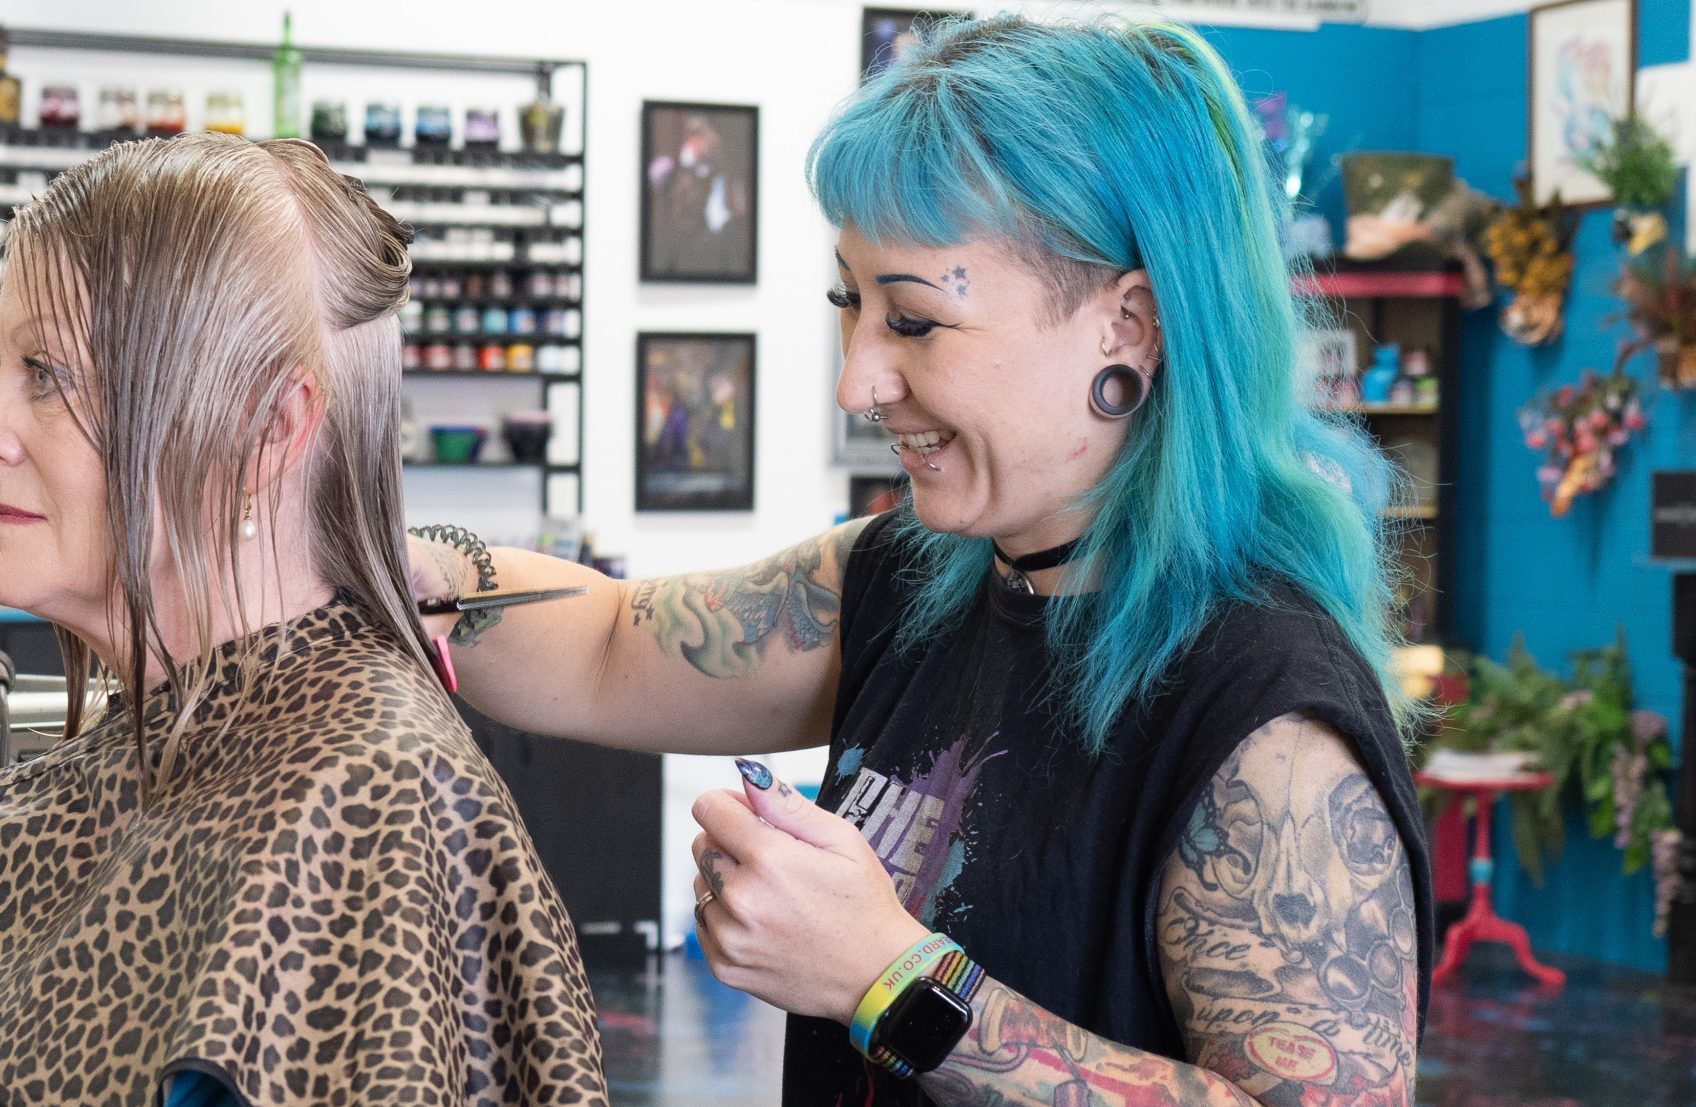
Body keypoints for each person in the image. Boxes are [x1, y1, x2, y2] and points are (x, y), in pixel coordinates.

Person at [410, 15, 1432, 1106]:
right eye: (850, 306)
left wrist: (886, 981)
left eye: (914, 320)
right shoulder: (905, 581)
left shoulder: (1266, 718)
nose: (857, 383)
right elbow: (610, 643)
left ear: (1125, 325)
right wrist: (379, 561)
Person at [0, 134, 609, 1107]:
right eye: (0, 361)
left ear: (264, 431)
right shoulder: (181, 748)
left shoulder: (358, 811)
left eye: (44, 371)